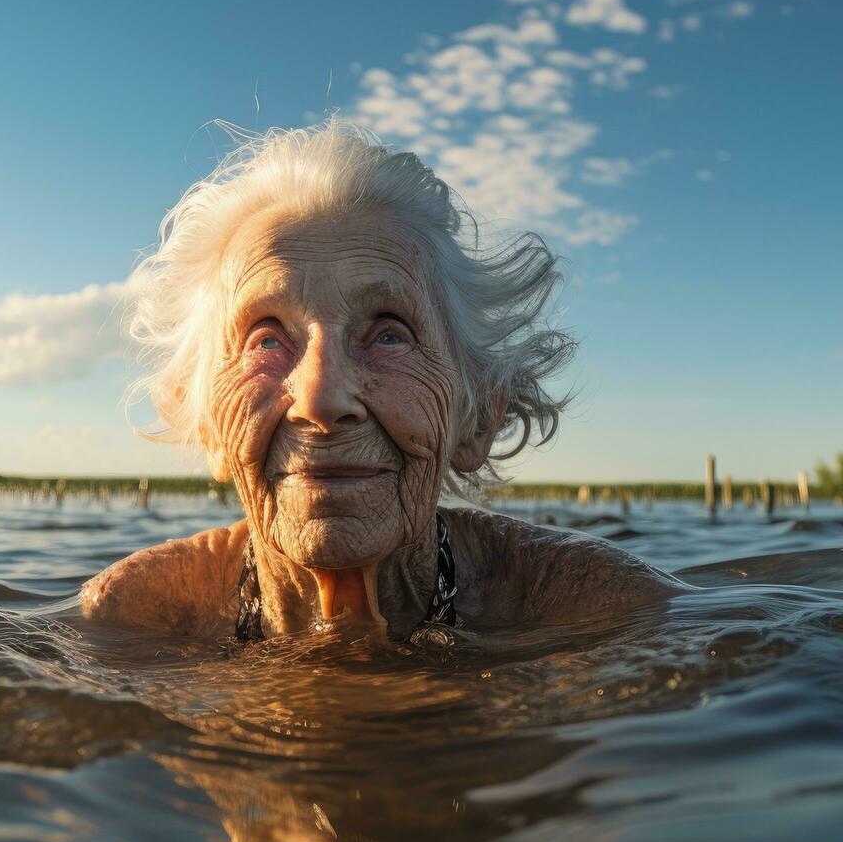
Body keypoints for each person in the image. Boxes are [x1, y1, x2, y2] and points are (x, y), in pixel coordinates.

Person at [82, 121, 679, 639]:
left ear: (479, 415)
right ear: (209, 423)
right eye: (266, 338)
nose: (321, 399)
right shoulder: (130, 618)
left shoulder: (599, 611)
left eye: (389, 334)